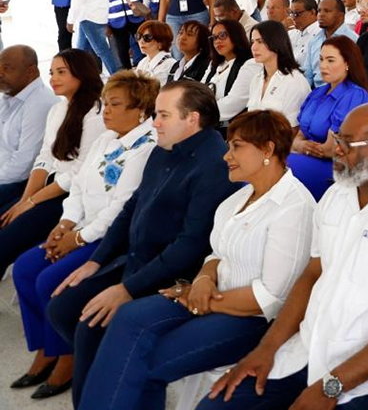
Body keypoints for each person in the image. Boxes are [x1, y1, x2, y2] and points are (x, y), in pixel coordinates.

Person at [210, 104, 368, 409]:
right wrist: (267, 348)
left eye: (347, 143)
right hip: (306, 352)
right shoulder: (338, 194)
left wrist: (331, 386)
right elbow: (312, 274)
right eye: (338, 139)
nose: (336, 150)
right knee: (220, 402)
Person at [78, 110, 316, 408]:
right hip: (207, 297)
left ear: (267, 149)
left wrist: (196, 296)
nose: (227, 156)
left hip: (251, 320)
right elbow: (217, 253)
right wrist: (204, 278)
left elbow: (270, 299)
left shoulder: (293, 208)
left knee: (149, 362)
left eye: (237, 147)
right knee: (128, 317)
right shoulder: (238, 198)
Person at [43, 81, 235, 408]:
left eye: (162, 114)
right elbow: (132, 207)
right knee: (63, 307)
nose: (154, 122)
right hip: (135, 260)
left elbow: (189, 246)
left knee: (92, 324)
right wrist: (96, 261)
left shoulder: (213, 164)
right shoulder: (164, 146)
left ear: (193, 119)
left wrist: (127, 289)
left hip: (171, 278)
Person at [10, 70, 157, 400]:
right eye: (105, 103)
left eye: (115, 104)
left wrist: (76, 238)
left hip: (110, 239)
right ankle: (48, 348)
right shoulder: (107, 138)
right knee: (24, 268)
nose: (105, 111)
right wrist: (64, 224)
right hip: (78, 227)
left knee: (49, 281)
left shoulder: (145, 148)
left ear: (141, 109)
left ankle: (67, 356)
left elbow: (120, 209)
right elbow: (77, 186)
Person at [0, 51, 103, 283]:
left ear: (82, 73)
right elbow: (44, 158)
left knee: (6, 239)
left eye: (61, 72)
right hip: (47, 185)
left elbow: (76, 174)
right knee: (7, 215)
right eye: (52, 72)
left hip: (69, 196)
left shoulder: (96, 113)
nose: (53, 78)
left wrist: (32, 202)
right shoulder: (58, 109)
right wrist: (24, 200)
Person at [291, 36, 368, 199]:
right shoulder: (317, 93)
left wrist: (301, 147)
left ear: (347, 63)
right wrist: (300, 146)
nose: (323, 66)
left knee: (274, 170)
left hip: (335, 168)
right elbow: (297, 137)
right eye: (321, 59)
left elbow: (330, 150)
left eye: (330, 60)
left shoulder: (354, 95)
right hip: (306, 159)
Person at [246, 21, 311, 126]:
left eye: (260, 41)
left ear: (276, 42)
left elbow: (294, 129)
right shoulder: (256, 80)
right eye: (252, 42)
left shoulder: (294, 81)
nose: (254, 47)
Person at [204, 19, 256, 124]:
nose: (217, 41)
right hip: (209, 122)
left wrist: (200, 115)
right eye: (214, 38)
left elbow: (235, 101)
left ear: (235, 35)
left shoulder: (250, 64)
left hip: (233, 127)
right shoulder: (214, 65)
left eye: (222, 35)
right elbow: (199, 91)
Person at [301, 0, 357, 89]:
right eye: (319, 11)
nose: (321, 15)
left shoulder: (352, 40)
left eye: (327, 11)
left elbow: (354, 76)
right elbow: (308, 75)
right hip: (316, 93)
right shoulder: (314, 41)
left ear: (341, 16)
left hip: (342, 93)